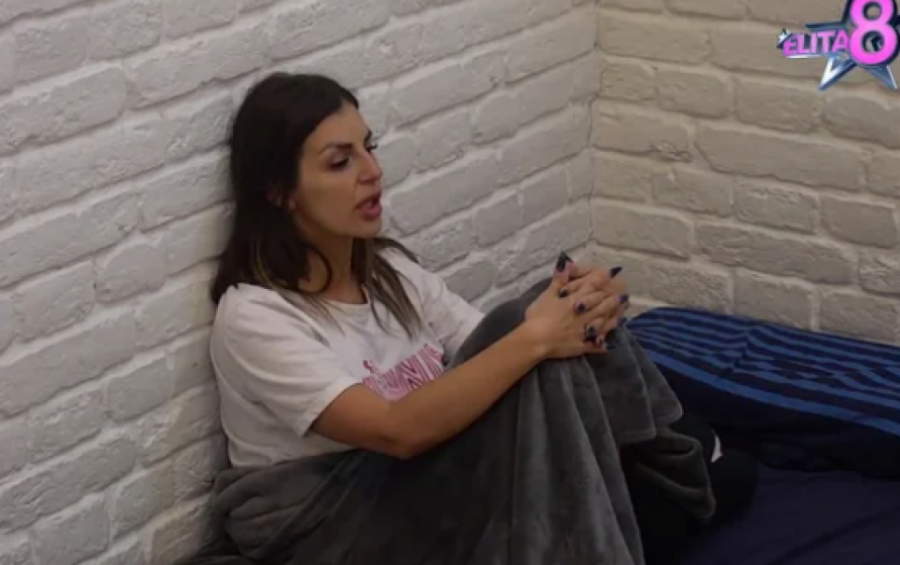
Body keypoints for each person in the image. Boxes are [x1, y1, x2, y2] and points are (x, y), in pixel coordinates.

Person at [205, 72, 754, 565]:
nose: (373, 172)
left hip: (427, 486)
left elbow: (499, 352)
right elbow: (396, 432)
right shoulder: (255, 316)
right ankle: (674, 459)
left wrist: (581, 307)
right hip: (338, 520)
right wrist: (539, 335)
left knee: (551, 314)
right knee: (537, 338)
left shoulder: (388, 272)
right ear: (278, 190)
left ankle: (665, 463)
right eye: (340, 162)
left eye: (369, 148)